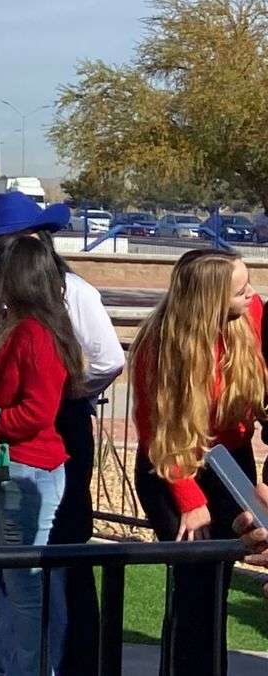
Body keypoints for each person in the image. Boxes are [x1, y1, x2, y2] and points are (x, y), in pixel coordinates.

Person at [0, 192, 124, 674]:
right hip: (1, 440)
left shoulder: (72, 294)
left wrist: (65, 390)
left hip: (53, 433)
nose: (0, 251)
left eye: (8, 241)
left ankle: (68, 661)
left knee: (56, 555)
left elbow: (109, 359)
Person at [0, 234, 81, 676]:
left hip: (29, 468)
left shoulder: (38, 335)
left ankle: (27, 670)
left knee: (22, 584)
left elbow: (38, 411)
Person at [131, 247, 264, 676]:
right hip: (172, 464)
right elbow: (157, 431)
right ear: (209, 300)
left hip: (230, 462)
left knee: (217, 583)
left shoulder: (250, 316)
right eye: (241, 290)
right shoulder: (159, 344)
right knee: (194, 585)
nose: (252, 294)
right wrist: (189, 498)